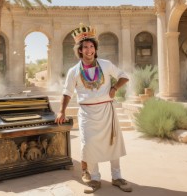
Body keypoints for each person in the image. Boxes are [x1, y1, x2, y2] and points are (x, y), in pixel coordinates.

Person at [55, 24, 132, 193]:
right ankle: (95, 178)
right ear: (80, 50)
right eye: (85, 47)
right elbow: (67, 92)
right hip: (87, 113)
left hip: (106, 110)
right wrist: (62, 111)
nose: (89, 50)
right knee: (89, 145)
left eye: (91, 46)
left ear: (95, 48)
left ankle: (117, 177)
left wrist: (114, 88)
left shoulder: (105, 64)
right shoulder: (73, 71)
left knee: (113, 143)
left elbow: (124, 76)